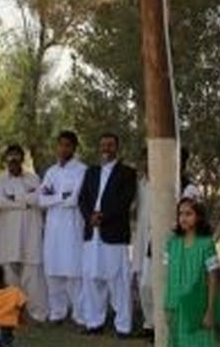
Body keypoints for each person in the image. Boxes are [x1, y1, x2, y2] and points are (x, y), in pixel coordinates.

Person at [77, 132, 138, 337]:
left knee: (118, 280)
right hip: (91, 233)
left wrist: (103, 217)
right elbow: (82, 198)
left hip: (113, 233)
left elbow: (125, 201)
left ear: (117, 148)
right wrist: (89, 217)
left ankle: (123, 326)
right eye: (103, 145)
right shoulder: (91, 172)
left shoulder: (127, 172)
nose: (106, 148)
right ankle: (95, 323)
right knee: (92, 279)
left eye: (110, 145)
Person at [0, 144, 48, 322]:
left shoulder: (34, 179)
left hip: (30, 234)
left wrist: (14, 199)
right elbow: (0, 202)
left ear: (22, 160)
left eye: (17, 158)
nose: (13, 162)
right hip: (7, 236)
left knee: (32, 276)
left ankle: (37, 314)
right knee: (8, 275)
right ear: (6, 160)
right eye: (10, 158)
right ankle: (10, 313)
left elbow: (38, 199)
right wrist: (25, 200)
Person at [38, 129, 87, 325]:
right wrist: (60, 196)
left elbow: (74, 199)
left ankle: (79, 314)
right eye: (60, 144)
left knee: (74, 272)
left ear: (74, 147)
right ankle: (57, 313)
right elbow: (41, 200)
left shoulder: (81, 170)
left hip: (72, 226)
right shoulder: (51, 171)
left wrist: (55, 197)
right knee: (53, 270)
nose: (63, 148)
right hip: (53, 228)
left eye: (67, 145)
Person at [165, 197, 220, 347]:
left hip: (198, 308)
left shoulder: (206, 244)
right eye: (180, 214)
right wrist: (167, 306)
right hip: (176, 307)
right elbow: (169, 277)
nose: (183, 218)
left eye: (189, 214)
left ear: (199, 217)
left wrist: (210, 310)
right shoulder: (172, 243)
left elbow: (212, 279)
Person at [132, 156, 155, 336]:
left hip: (155, 238)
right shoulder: (140, 183)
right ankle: (147, 324)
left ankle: (155, 324)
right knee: (140, 278)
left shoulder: (163, 182)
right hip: (140, 236)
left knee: (150, 282)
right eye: (144, 160)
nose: (146, 164)